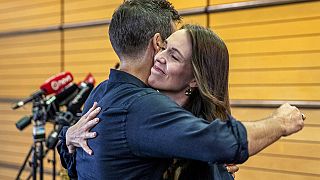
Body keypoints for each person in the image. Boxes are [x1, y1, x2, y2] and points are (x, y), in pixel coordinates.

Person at [57, 0, 304, 179]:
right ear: (155, 43)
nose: (161, 57)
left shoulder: (101, 92)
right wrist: (280, 121)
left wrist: (66, 136)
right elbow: (222, 143)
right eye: (164, 48)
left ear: (195, 79)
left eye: (173, 54)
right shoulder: (144, 108)